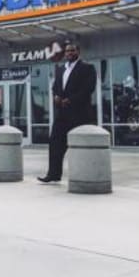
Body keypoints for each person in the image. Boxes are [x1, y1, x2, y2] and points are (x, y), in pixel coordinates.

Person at [38, 43, 97, 183]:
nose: (69, 53)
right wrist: (56, 96)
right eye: (67, 51)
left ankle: (84, 175)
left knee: (79, 145)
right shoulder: (60, 69)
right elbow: (55, 87)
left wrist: (70, 100)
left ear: (78, 51)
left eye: (72, 50)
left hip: (79, 114)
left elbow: (88, 89)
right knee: (55, 143)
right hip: (62, 114)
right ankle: (53, 174)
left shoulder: (87, 68)